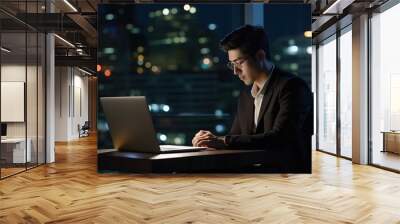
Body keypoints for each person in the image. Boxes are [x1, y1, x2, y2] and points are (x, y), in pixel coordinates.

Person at [191, 25, 313, 173]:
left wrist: (223, 140)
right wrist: (210, 140)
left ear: (260, 56)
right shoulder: (245, 96)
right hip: (252, 174)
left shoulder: (292, 86)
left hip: (287, 176)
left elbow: (280, 137)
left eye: (239, 62)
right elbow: (236, 139)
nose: (235, 71)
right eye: (232, 64)